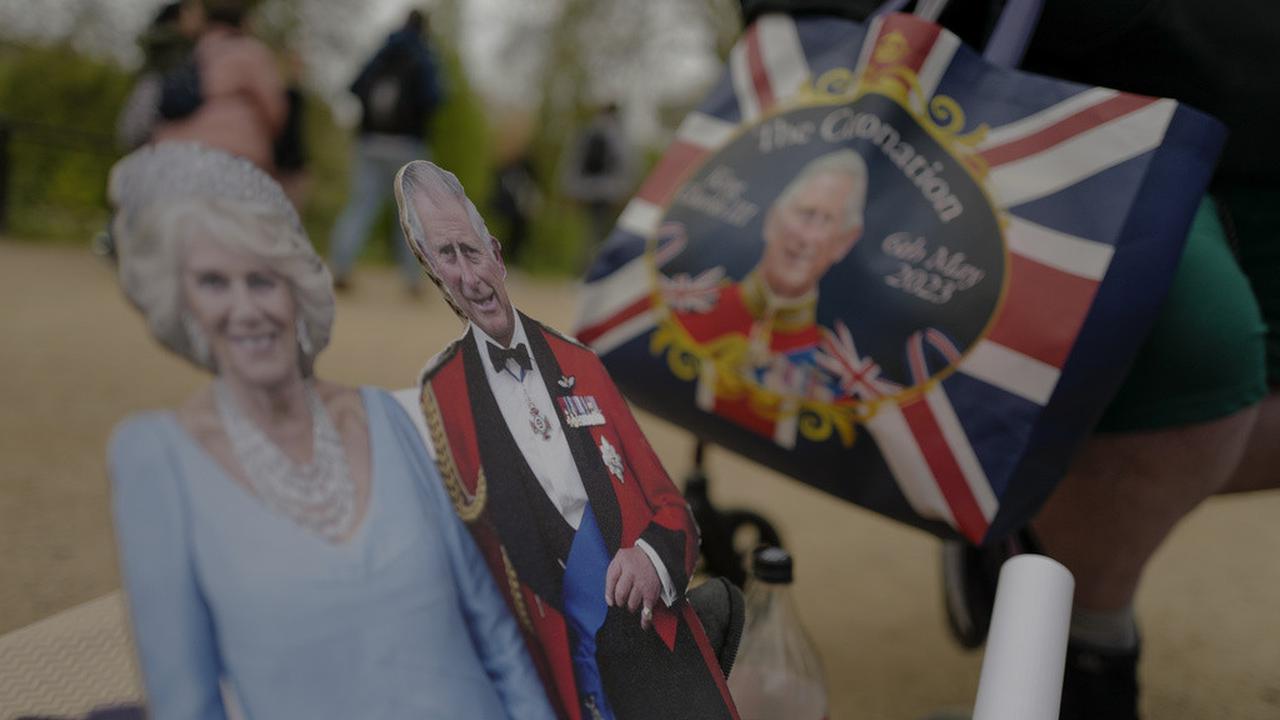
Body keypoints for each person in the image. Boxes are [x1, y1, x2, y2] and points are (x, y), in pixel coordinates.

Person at [104, 142, 554, 720]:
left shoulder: (385, 417)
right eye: (214, 284)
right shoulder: (155, 458)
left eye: (263, 282)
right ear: (182, 304)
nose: (246, 310)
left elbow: (491, 629)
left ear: (296, 288)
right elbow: (185, 703)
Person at [394, 160, 740, 720]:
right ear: (434, 273)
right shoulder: (441, 390)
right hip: (549, 665)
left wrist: (652, 557)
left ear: (498, 256)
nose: (467, 275)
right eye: (446, 258)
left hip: (649, 643)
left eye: (472, 251)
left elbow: (671, 507)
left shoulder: (582, 364)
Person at [671, 149, 882, 444]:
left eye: (826, 221)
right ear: (772, 219)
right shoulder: (691, 309)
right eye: (805, 214)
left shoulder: (837, 372)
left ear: (843, 243)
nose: (807, 237)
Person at [328, 9, 444, 295]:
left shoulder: (382, 54)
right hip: (408, 144)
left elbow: (354, 86)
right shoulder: (423, 56)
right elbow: (436, 98)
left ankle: (340, 266)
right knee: (412, 214)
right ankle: (414, 280)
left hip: (370, 143)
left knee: (360, 206)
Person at [151, 0, 287, 173]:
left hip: (170, 153)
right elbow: (275, 111)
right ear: (244, 22)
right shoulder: (251, 52)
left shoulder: (190, 51)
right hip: (233, 157)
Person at [115, 0, 205, 151]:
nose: (200, 21)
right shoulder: (172, 49)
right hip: (157, 119)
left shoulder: (173, 47)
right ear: (179, 16)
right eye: (193, 14)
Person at [562, 103, 635, 253]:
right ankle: (592, 262)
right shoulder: (618, 134)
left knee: (588, 229)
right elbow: (625, 163)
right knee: (601, 230)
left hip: (585, 189)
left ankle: (585, 261)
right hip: (609, 191)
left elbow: (574, 159)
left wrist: (570, 188)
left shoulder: (588, 130)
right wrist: (624, 190)